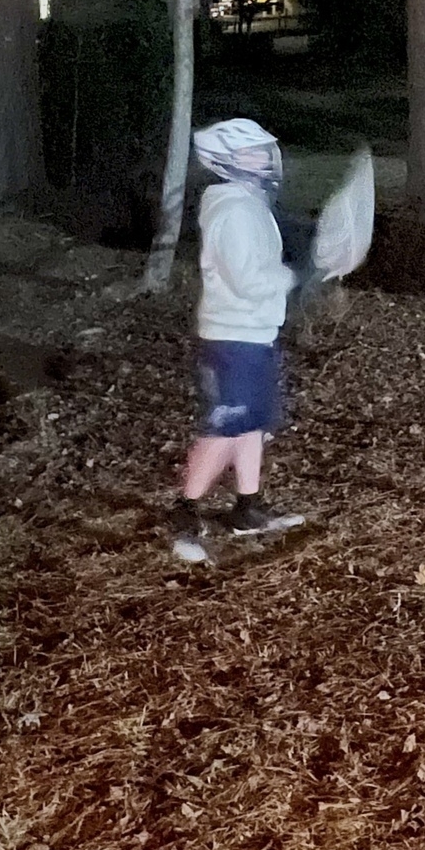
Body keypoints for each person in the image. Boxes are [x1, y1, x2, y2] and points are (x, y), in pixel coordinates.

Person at [169, 117, 306, 564]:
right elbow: (247, 280)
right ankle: (184, 515)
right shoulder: (231, 209)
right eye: (253, 152)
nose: (264, 159)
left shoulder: (248, 203)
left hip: (254, 334)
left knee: (251, 425)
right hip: (232, 339)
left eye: (265, 150)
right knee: (224, 429)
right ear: (225, 161)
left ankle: (248, 508)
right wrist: (292, 276)